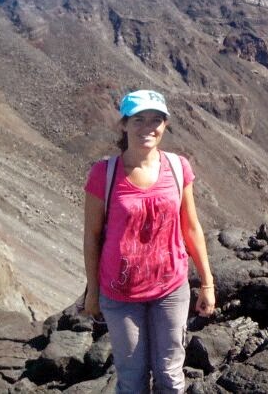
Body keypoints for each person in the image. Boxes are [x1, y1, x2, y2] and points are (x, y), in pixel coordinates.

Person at [82, 89, 215, 393]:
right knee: (132, 379)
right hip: (119, 294)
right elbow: (91, 237)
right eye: (139, 119)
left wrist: (206, 283)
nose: (148, 127)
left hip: (170, 289)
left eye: (156, 120)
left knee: (170, 374)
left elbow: (191, 227)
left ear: (165, 125)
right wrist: (93, 291)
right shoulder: (104, 174)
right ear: (124, 124)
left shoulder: (178, 168)